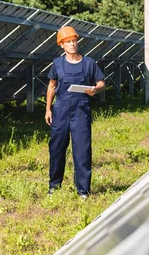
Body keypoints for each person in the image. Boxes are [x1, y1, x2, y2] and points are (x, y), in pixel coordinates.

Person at [45, 26, 105, 198]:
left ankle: (83, 190)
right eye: (68, 42)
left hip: (81, 111)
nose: (72, 44)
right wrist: (48, 109)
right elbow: (51, 86)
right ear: (61, 45)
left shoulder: (89, 63)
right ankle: (54, 186)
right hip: (60, 111)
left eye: (74, 40)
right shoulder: (57, 64)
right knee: (56, 148)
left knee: (82, 150)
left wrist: (95, 89)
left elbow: (101, 82)